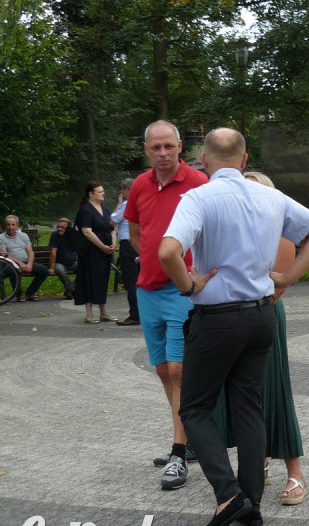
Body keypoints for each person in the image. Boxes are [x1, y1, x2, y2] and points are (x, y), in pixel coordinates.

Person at [160, 128, 309, 526]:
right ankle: (251, 506)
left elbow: (167, 251)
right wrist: (287, 276)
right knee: (249, 407)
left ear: (203, 159)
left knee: (195, 408)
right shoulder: (270, 197)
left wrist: (188, 285)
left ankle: (229, 492)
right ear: (243, 159)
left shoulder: (198, 198)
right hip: (260, 316)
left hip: (216, 318)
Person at [213, 171, 309, 508]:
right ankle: (259, 461)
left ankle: (294, 471)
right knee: (242, 396)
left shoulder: (279, 230)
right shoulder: (232, 229)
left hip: (263, 315)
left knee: (274, 392)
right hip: (232, 319)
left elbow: (279, 285)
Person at [125, 120, 208, 490]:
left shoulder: (198, 183)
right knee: (162, 370)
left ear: (179, 148)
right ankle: (187, 441)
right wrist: (147, 256)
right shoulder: (140, 185)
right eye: (155, 147)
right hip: (148, 290)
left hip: (182, 291)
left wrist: (193, 273)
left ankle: (178, 452)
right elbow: (134, 227)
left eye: (168, 147)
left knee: (179, 368)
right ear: (146, 150)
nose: (162, 153)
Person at [74, 183, 117, 322]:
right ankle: (89, 313)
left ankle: (104, 311)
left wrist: (113, 244)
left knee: (102, 279)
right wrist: (102, 246)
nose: (103, 194)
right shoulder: (86, 210)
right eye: (99, 191)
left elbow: (111, 229)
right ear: (91, 194)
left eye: (103, 191)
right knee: (89, 279)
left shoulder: (105, 209)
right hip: (91, 250)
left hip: (105, 251)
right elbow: (87, 232)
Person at [110, 179, 141, 326]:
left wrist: (118, 204)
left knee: (131, 281)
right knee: (140, 280)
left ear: (127, 189)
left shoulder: (127, 204)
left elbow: (112, 221)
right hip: (139, 244)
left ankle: (135, 315)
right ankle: (142, 312)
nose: (121, 192)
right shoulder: (142, 201)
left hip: (128, 245)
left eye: (122, 189)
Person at [1, 215, 48, 301]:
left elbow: (30, 252)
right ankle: (19, 295)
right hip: (10, 263)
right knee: (14, 270)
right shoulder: (2, 237)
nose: (10, 227)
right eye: (8, 224)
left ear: (17, 225)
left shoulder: (23, 235)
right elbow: (4, 255)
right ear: (5, 225)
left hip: (26, 262)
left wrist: (29, 264)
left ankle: (29, 294)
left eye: (13, 224)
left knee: (44, 270)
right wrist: (20, 263)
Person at [47, 218, 78, 299]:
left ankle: (70, 290)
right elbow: (53, 252)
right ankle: (72, 290)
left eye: (62, 227)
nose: (59, 229)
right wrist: (51, 268)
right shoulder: (55, 235)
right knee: (60, 271)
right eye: (58, 227)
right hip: (59, 263)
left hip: (73, 262)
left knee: (85, 268)